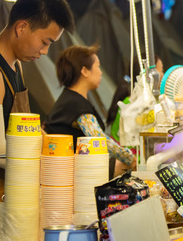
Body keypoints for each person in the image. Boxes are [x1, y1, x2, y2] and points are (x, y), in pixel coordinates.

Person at [0, 0, 74, 241]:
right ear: (21, 28)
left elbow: (26, 126)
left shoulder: (16, 67)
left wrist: (60, 150)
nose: (45, 52)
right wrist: (48, 162)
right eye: (45, 42)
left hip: (10, 191)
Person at [44, 46, 136, 178]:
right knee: (122, 166)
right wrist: (130, 158)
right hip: (67, 174)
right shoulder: (75, 104)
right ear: (85, 71)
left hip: (68, 169)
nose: (100, 72)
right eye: (97, 66)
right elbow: (98, 139)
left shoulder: (71, 100)